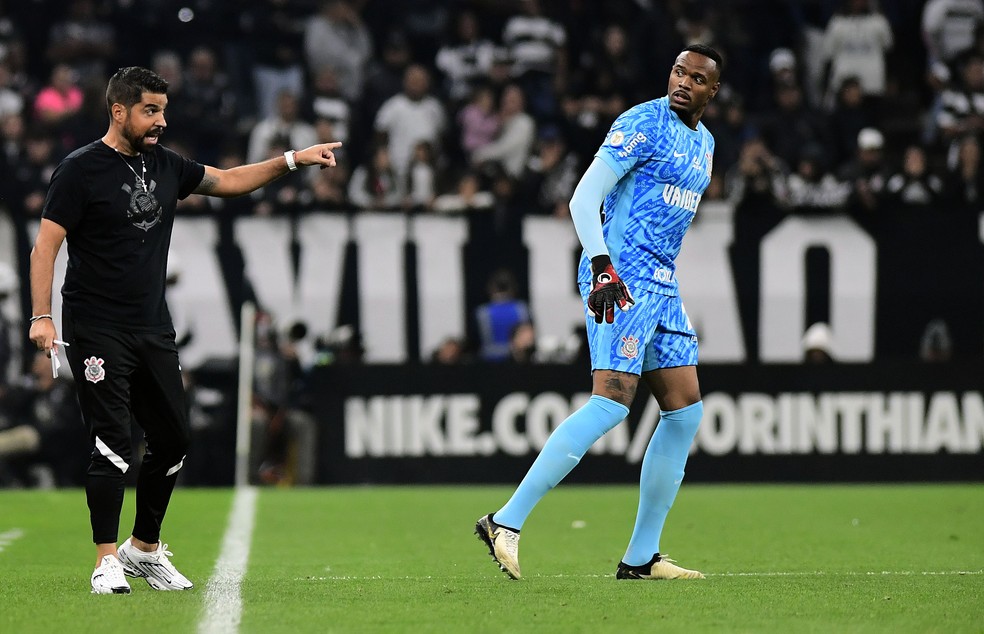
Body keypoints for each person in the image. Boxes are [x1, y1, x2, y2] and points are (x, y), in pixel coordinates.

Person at [27, 66, 340, 595]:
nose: (161, 121)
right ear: (119, 111)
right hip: (96, 326)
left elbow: (228, 181)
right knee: (112, 440)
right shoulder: (79, 170)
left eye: (163, 111)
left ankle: (144, 549)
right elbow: (45, 247)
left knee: (174, 439)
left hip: (151, 325)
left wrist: (292, 160)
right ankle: (106, 559)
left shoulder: (165, 165)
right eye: (150, 111)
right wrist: (41, 316)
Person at [476, 44, 722, 581]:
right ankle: (504, 521)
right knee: (611, 403)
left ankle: (641, 557)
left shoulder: (705, 144)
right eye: (678, 71)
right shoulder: (642, 123)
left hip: (662, 284)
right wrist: (602, 265)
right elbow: (583, 199)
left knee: (685, 412)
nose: (683, 82)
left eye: (697, 78)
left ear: (713, 90)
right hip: (620, 278)